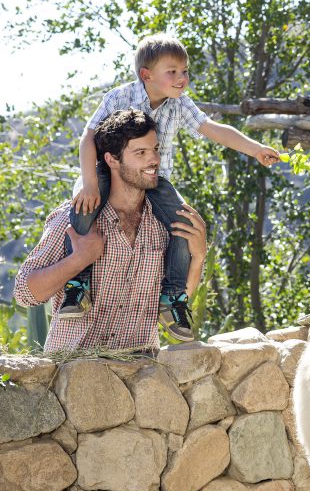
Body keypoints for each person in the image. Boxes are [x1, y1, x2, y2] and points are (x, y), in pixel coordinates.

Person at [61, 33, 279, 341]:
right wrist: (89, 182)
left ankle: (172, 297)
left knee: (184, 222)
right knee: (84, 205)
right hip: (109, 169)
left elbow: (214, 129)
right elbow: (88, 138)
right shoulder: (119, 97)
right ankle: (78, 285)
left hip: (153, 177)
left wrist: (255, 149)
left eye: (185, 71)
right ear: (146, 75)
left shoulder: (180, 105)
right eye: (172, 71)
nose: (182, 78)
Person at [14, 109, 207, 353]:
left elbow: (173, 302)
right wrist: (79, 259)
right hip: (71, 374)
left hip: (140, 377)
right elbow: (24, 293)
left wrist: (198, 258)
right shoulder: (72, 218)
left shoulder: (167, 226)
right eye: (141, 153)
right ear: (112, 160)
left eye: (156, 149)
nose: (154, 160)